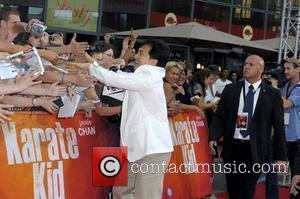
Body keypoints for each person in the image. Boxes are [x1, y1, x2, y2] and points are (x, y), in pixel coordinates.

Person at [89, 39, 173, 199]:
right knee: (121, 192)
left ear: (153, 61)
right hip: (138, 148)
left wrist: (91, 66)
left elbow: (114, 79)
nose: (136, 56)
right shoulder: (141, 77)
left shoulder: (150, 76)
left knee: (146, 195)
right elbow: (117, 78)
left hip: (152, 150)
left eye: (142, 53)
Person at [209, 55, 287, 199]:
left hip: (255, 149)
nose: (246, 67)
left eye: (251, 64)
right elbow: (220, 116)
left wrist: (280, 156)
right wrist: (213, 137)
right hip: (232, 147)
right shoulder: (231, 89)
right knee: (232, 189)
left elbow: (279, 126)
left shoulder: (272, 94)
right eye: (245, 64)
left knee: (246, 190)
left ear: (261, 69)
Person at [280, 58, 300, 178]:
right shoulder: (284, 86)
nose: (285, 71)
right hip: (282, 135)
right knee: (271, 169)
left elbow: (285, 104)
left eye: (288, 68)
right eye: (284, 68)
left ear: (298, 69)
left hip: (297, 138)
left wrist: (274, 87)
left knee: (296, 175)